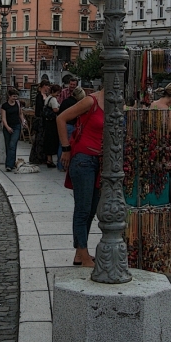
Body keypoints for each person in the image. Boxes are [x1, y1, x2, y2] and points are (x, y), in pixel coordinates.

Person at [57, 89, 105, 267]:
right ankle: (83, 253)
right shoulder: (91, 101)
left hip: (99, 161)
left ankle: (80, 252)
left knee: (91, 209)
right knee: (83, 209)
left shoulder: (116, 103)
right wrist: (66, 148)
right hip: (83, 159)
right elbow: (61, 118)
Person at [57, 86, 86, 171]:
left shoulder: (65, 101)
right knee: (68, 147)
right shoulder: (76, 104)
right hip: (70, 126)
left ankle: (60, 165)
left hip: (62, 125)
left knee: (61, 145)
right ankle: (66, 165)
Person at [0, 88, 25, 172]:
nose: (15, 98)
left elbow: (20, 113)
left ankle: (9, 165)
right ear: (9, 96)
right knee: (8, 146)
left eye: (16, 96)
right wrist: (7, 127)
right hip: (7, 126)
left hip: (17, 126)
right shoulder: (4, 106)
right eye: (13, 96)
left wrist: (23, 122)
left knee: (12, 144)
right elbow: (3, 118)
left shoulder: (18, 104)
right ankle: (12, 162)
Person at [28, 80, 50, 164]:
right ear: (44, 86)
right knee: (39, 139)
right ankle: (37, 157)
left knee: (43, 139)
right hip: (40, 120)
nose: (48, 88)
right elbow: (39, 108)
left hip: (44, 120)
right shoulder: (39, 96)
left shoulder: (47, 95)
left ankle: (42, 156)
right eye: (47, 86)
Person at [42, 84, 61, 168]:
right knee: (52, 140)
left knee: (48, 140)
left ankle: (49, 159)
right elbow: (55, 109)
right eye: (57, 92)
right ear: (53, 92)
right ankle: (50, 160)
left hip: (47, 122)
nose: (58, 94)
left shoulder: (47, 98)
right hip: (52, 123)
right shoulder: (53, 99)